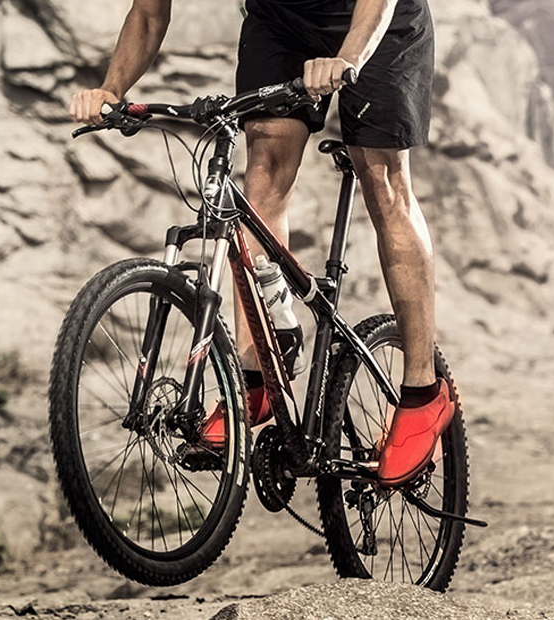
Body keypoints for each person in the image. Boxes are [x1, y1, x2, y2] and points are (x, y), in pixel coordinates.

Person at [68, 0, 452, 487]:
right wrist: (111, 90)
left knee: (382, 178)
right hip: (281, 20)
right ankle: (259, 372)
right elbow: (148, 13)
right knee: (263, 168)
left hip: (379, 19)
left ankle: (422, 391)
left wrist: (347, 58)